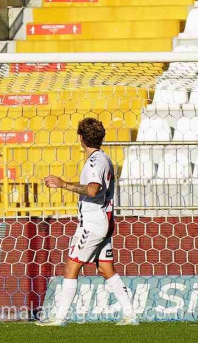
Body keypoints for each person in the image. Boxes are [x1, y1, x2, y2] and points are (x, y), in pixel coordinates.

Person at [39, 118, 138, 326]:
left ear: (81, 138)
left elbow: (93, 189)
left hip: (92, 223)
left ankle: (59, 318)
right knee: (105, 269)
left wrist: (63, 184)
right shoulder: (104, 158)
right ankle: (130, 315)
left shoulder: (94, 162)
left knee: (71, 267)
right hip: (103, 220)